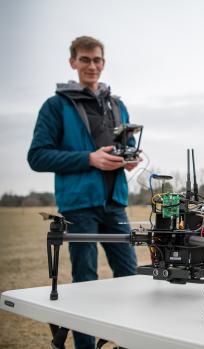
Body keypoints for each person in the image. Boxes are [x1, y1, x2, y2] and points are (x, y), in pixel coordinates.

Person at [28, 36, 138, 349]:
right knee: (85, 283)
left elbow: (125, 146)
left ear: (104, 63)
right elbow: (37, 156)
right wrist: (89, 158)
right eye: (85, 60)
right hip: (78, 206)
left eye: (97, 60)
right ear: (73, 62)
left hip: (115, 203)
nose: (92, 66)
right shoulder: (55, 106)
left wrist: (128, 159)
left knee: (132, 278)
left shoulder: (118, 105)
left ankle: (127, 342)